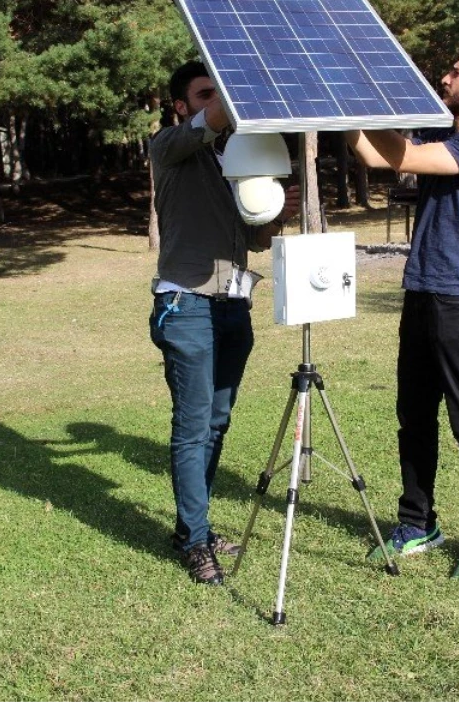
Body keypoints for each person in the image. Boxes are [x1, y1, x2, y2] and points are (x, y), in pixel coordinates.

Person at [347, 39, 459, 581]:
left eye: (456, 72)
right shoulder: (443, 136)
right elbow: (376, 154)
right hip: (422, 293)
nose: (444, 79)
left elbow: (402, 155)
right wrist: (340, 107)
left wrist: (354, 101)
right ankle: (417, 522)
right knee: (414, 417)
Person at [149, 61, 300, 585]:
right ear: (181, 106)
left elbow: (254, 239)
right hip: (187, 306)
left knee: (216, 423)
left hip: (234, 305)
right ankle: (194, 541)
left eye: (218, 92)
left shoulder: (237, 159)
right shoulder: (168, 147)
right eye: (204, 93)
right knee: (192, 429)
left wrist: (274, 214)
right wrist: (240, 88)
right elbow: (212, 120)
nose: (216, 100)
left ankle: (194, 526)